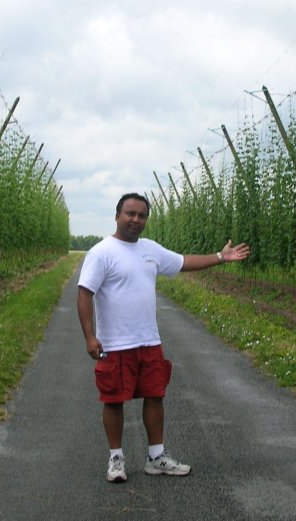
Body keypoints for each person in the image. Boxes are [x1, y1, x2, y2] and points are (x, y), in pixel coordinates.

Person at [77, 192, 251, 483]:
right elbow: (84, 293)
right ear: (117, 216)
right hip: (116, 344)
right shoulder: (101, 252)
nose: (135, 219)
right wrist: (89, 336)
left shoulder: (150, 250)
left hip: (149, 341)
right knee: (114, 400)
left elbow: (183, 262)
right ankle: (116, 458)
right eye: (130, 213)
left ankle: (156, 457)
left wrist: (221, 257)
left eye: (141, 215)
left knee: (156, 396)